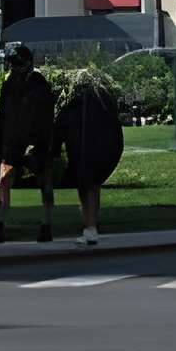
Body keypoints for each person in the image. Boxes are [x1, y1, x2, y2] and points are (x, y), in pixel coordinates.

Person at [0, 45, 58, 243]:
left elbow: (46, 116)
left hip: (36, 141)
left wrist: (41, 142)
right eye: (10, 63)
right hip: (13, 140)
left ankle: (46, 224)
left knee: (44, 181)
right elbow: (2, 115)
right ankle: (0, 223)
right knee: (3, 180)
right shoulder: (9, 84)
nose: (12, 67)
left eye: (14, 63)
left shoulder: (38, 83)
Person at [54, 65, 124, 248]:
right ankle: (92, 223)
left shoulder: (73, 106)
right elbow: (116, 132)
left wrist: (54, 150)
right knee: (93, 186)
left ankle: (90, 227)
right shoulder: (103, 105)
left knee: (87, 188)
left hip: (83, 152)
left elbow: (59, 129)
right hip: (101, 152)